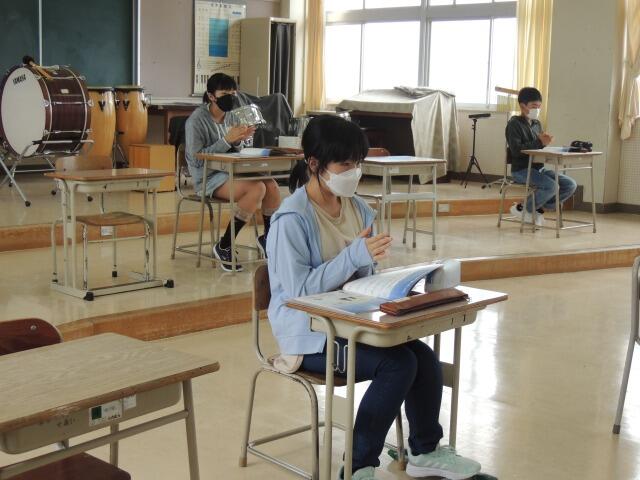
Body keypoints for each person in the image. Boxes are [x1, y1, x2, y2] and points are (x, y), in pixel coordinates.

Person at [266, 115, 481, 480]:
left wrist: (390, 282)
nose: (354, 172)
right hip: (309, 333)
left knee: (423, 357)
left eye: (357, 163)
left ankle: (424, 451)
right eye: (344, 164)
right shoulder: (291, 219)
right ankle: (357, 466)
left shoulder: (358, 208)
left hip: (351, 320)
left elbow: (362, 276)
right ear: (314, 163)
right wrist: (355, 257)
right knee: (397, 365)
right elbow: (299, 292)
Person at [185, 73, 281, 271]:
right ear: (211, 96)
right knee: (257, 189)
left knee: (271, 185)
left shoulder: (232, 116)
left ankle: (268, 238)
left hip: (232, 171)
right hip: (208, 178)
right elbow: (196, 160)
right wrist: (227, 140)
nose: (230, 97)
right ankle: (225, 245)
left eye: (233, 93)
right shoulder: (196, 121)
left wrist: (240, 140)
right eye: (224, 94)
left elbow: (238, 151)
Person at [505, 87, 577, 226]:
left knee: (570, 185)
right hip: (521, 170)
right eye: (533, 106)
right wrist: (539, 142)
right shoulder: (514, 124)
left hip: (539, 169)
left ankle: (535, 207)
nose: (537, 110)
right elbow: (516, 150)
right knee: (551, 187)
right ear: (522, 106)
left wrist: (545, 142)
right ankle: (524, 208)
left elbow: (538, 146)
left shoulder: (537, 124)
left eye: (539, 107)